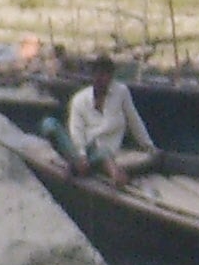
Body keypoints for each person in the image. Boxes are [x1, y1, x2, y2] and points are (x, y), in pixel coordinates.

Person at [39, 54, 157, 186]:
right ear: (93, 76)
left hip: (104, 153)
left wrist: (148, 145)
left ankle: (114, 176)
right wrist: (82, 155)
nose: (102, 79)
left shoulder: (121, 92)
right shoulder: (80, 99)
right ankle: (77, 164)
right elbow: (76, 130)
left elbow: (134, 120)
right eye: (98, 74)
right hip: (80, 150)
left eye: (106, 75)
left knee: (103, 153)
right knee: (49, 124)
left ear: (111, 76)